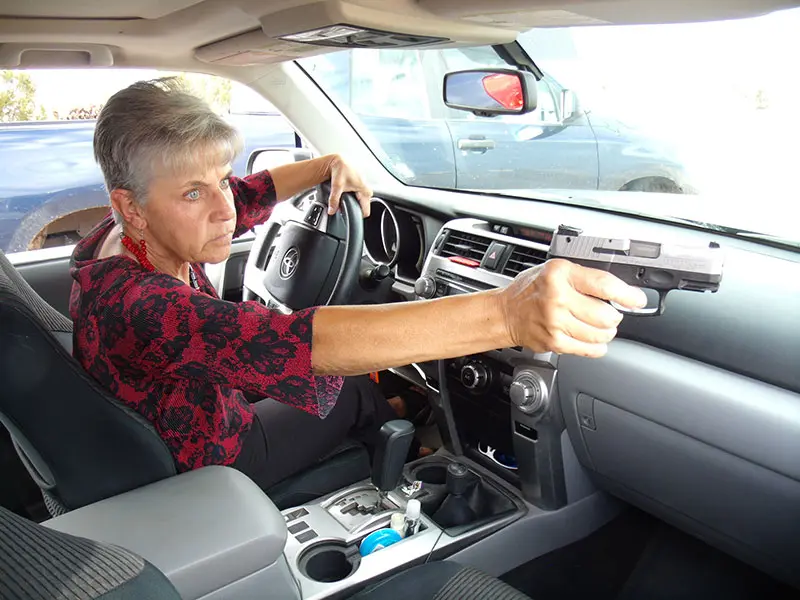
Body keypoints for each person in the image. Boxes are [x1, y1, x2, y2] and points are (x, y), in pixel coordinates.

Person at [69, 78, 646, 494]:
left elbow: (252, 193)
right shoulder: (142, 305)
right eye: (194, 192)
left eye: (220, 178)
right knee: (345, 389)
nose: (225, 209)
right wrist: (509, 314)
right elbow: (303, 344)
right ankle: (406, 452)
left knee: (347, 389)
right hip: (213, 460)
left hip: (179, 409)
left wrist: (329, 165)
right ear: (132, 206)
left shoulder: (118, 238)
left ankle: (393, 418)